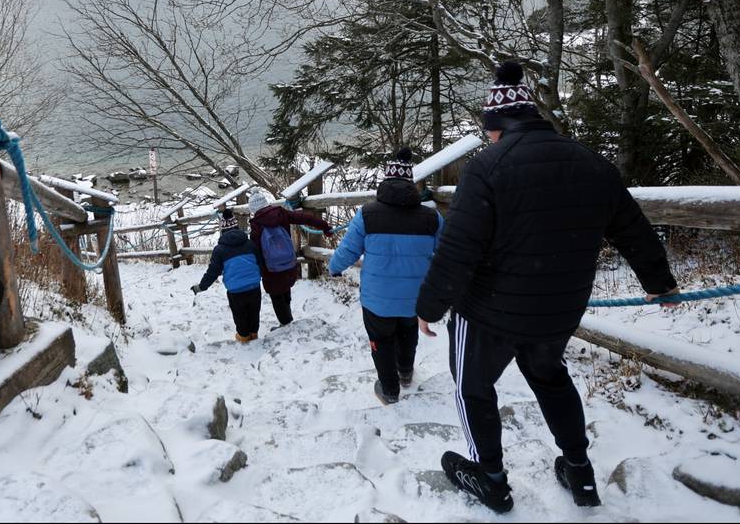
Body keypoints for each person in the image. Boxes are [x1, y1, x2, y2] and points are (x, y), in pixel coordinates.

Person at [416, 61, 679, 514]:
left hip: (487, 310)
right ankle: (579, 471)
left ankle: (490, 478)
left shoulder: (486, 167)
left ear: (496, 126)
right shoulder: (591, 162)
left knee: (473, 388)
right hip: (558, 308)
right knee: (550, 376)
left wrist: (430, 305)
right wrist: (659, 281)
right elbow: (632, 228)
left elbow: (459, 247)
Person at [329, 148, 442, 406]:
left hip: (377, 299)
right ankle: (405, 372)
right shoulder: (431, 217)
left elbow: (348, 250)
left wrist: (334, 267)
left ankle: (389, 389)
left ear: (385, 182)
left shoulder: (367, 214)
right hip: (414, 296)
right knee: (408, 332)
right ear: (410, 184)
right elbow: (446, 251)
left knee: (381, 340)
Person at [248, 189, 335, 328]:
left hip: (271, 270)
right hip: (289, 263)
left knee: (276, 296)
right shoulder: (281, 213)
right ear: (266, 203)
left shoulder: (256, 225)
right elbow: (305, 218)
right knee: (285, 288)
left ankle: (285, 323)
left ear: (253, 209)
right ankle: (287, 319)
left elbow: (255, 252)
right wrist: (324, 226)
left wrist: (257, 271)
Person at [192, 210, 264, 344]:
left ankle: (243, 338)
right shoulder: (249, 244)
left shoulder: (219, 250)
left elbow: (213, 272)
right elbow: (260, 262)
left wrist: (201, 287)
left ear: (222, 231)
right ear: (237, 227)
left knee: (240, 315)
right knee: (254, 312)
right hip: (254, 286)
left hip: (235, 290)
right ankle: (254, 335)